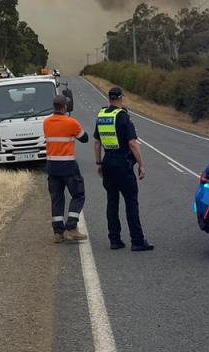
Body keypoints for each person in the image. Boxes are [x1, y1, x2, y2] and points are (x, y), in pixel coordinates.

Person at [94, 87, 153, 251]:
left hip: (107, 163)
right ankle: (137, 241)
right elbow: (133, 143)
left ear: (109, 98)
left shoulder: (102, 116)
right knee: (131, 202)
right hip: (123, 164)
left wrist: (98, 163)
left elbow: (97, 143)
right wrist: (141, 165)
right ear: (120, 98)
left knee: (112, 202)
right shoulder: (123, 117)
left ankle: (114, 240)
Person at [44, 94, 89, 243]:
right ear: (64, 107)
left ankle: (58, 233)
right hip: (68, 165)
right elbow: (85, 138)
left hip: (52, 166)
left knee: (57, 198)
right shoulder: (71, 122)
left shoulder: (46, 122)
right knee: (78, 194)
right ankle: (71, 228)